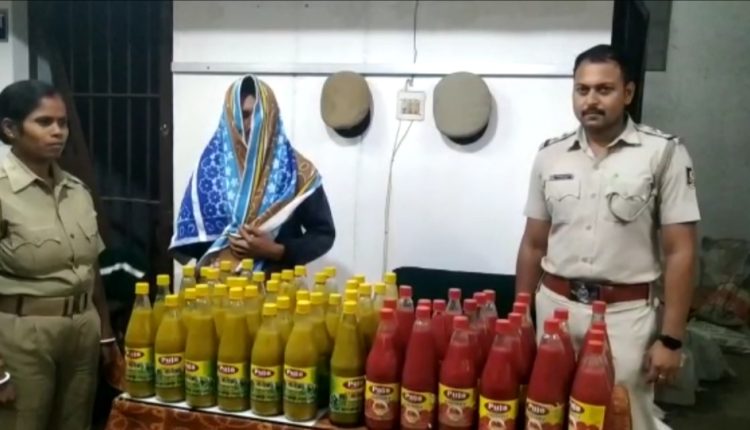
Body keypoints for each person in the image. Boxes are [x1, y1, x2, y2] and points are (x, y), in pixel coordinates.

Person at [515, 44, 699, 430]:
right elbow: (533, 245)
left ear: (627, 93)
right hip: (555, 311)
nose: (591, 100)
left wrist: (671, 339)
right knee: (547, 412)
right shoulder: (550, 156)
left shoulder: (663, 153)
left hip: (624, 319)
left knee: (623, 415)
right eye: (582, 90)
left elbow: (680, 252)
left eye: (604, 89)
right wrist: (520, 316)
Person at [0, 80, 119, 430]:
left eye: (63, 123)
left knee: (76, 423)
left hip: (81, 331)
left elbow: (91, 267)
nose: (58, 132)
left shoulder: (76, 190)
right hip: (22, 336)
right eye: (44, 122)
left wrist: (105, 333)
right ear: (10, 129)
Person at [169, 75, 335, 273]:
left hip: (277, 285)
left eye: (255, 114)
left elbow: (323, 234)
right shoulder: (209, 169)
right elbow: (196, 238)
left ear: (270, 115)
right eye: (241, 115)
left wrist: (277, 251)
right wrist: (223, 249)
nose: (247, 124)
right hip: (218, 286)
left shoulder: (297, 171)